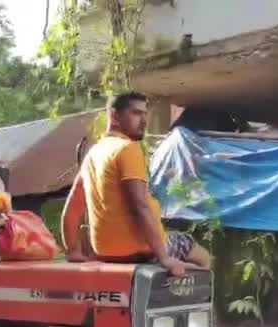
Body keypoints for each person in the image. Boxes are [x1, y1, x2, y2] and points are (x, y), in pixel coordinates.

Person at [61, 92, 211, 276]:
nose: (143, 120)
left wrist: (72, 250)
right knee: (199, 253)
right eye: (136, 113)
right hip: (141, 252)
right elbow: (140, 206)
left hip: (105, 253)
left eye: (144, 114)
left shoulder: (93, 154)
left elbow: (72, 209)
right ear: (114, 116)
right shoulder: (127, 149)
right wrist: (164, 257)